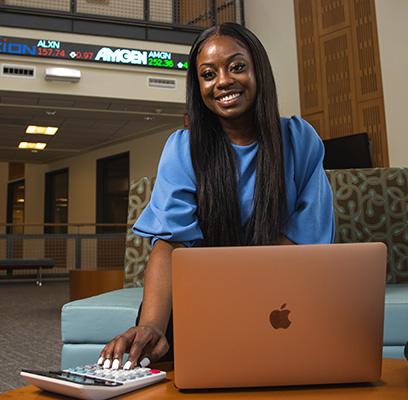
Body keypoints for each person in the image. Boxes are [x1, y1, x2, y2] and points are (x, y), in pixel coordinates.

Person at [97, 23, 335, 371]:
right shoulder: (183, 149)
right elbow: (170, 243)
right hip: (203, 299)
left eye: (237, 66)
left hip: (279, 292)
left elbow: (305, 241)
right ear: (199, 87)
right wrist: (150, 325)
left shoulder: (299, 140)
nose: (223, 81)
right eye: (208, 74)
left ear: (259, 72)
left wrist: (241, 297)